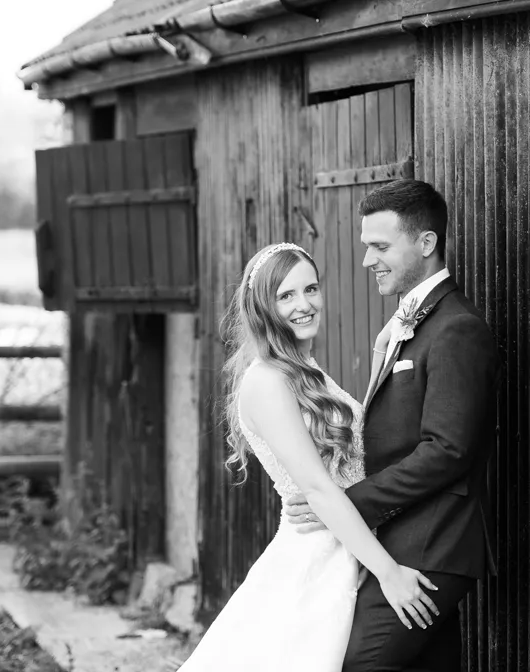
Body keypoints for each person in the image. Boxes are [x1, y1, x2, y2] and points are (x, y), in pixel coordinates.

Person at [178, 241, 440, 672]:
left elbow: (354, 442)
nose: (305, 304)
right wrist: (389, 573)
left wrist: (381, 351)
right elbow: (318, 487)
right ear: (262, 307)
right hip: (315, 559)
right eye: (286, 295)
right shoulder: (266, 382)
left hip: (350, 546)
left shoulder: (306, 370)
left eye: (311, 289)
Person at [284, 178, 500, 672]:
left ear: (426, 243)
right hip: (400, 538)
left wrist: (345, 505)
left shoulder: (456, 329)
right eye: (366, 247)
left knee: (360, 663)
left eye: (380, 246)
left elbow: (447, 450)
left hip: (432, 544)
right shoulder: (411, 322)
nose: (367, 261)